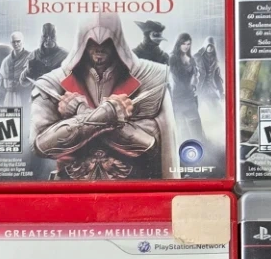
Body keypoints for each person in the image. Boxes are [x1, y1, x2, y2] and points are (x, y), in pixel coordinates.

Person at [30, 13, 178, 181]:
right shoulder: (51, 82)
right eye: (91, 41)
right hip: (70, 186)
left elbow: (155, 145)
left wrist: (80, 111)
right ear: (81, 40)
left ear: (117, 40)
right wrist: (110, 114)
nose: (99, 48)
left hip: (131, 186)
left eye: (106, 41)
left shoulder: (153, 77)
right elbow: (40, 146)